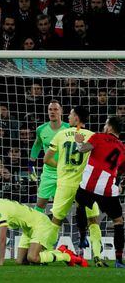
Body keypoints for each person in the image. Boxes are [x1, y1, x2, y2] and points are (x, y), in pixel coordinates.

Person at [0, 186, 87, 267]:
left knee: (32, 258)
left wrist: (1, 262)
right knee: (20, 262)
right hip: (28, 228)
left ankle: (65, 255)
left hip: (40, 223)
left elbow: (2, 238)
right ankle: (57, 252)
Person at [44, 106, 102, 265]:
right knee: (93, 220)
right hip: (86, 185)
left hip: (65, 184)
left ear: (76, 117)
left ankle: (46, 253)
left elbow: (46, 159)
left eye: (70, 114)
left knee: (56, 220)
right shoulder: (93, 136)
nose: (68, 117)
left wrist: (62, 167)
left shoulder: (60, 134)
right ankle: (97, 256)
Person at [74, 117, 125, 268]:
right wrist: (120, 185)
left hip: (89, 186)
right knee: (118, 222)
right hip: (108, 190)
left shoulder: (98, 136)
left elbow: (83, 149)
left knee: (79, 204)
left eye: (105, 124)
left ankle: (83, 237)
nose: (103, 127)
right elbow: (121, 172)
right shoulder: (122, 148)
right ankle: (118, 260)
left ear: (109, 128)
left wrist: (78, 141)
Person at [29, 100, 69, 213]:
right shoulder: (41, 129)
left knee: (59, 205)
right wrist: (30, 164)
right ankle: (37, 228)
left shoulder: (69, 128)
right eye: (50, 109)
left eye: (55, 109)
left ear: (61, 111)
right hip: (48, 172)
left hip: (64, 172)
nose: (52, 112)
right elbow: (37, 145)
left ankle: (57, 230)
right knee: (40, 204)